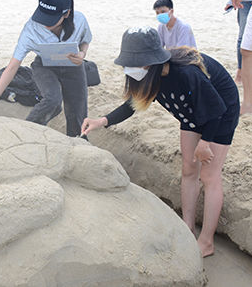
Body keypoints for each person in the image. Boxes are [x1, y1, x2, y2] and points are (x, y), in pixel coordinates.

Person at [81, 26, 238, 257]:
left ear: (150, 62)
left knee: (209, 175)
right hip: (191, 114)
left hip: (220, 114)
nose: (129, 69)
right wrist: (102, 121)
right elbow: (131, 105)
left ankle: (206, 242)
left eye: (134, 64)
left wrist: (206, 142)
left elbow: (215, 109)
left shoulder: (186, 74)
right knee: (188, 168)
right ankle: (187, 228)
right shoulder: (147, 76)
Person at [0, 0, 92, 137]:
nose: (45, 22)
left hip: (73, 65)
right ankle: (24, 134)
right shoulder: (31, 28)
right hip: (44, 66)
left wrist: (82, 54)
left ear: (66, 13)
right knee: (53, 101)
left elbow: (85, 40)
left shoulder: (79, 20)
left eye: (50, 18)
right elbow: (13, 66)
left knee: (78, 115)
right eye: (42, 16)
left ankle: (78, 146)